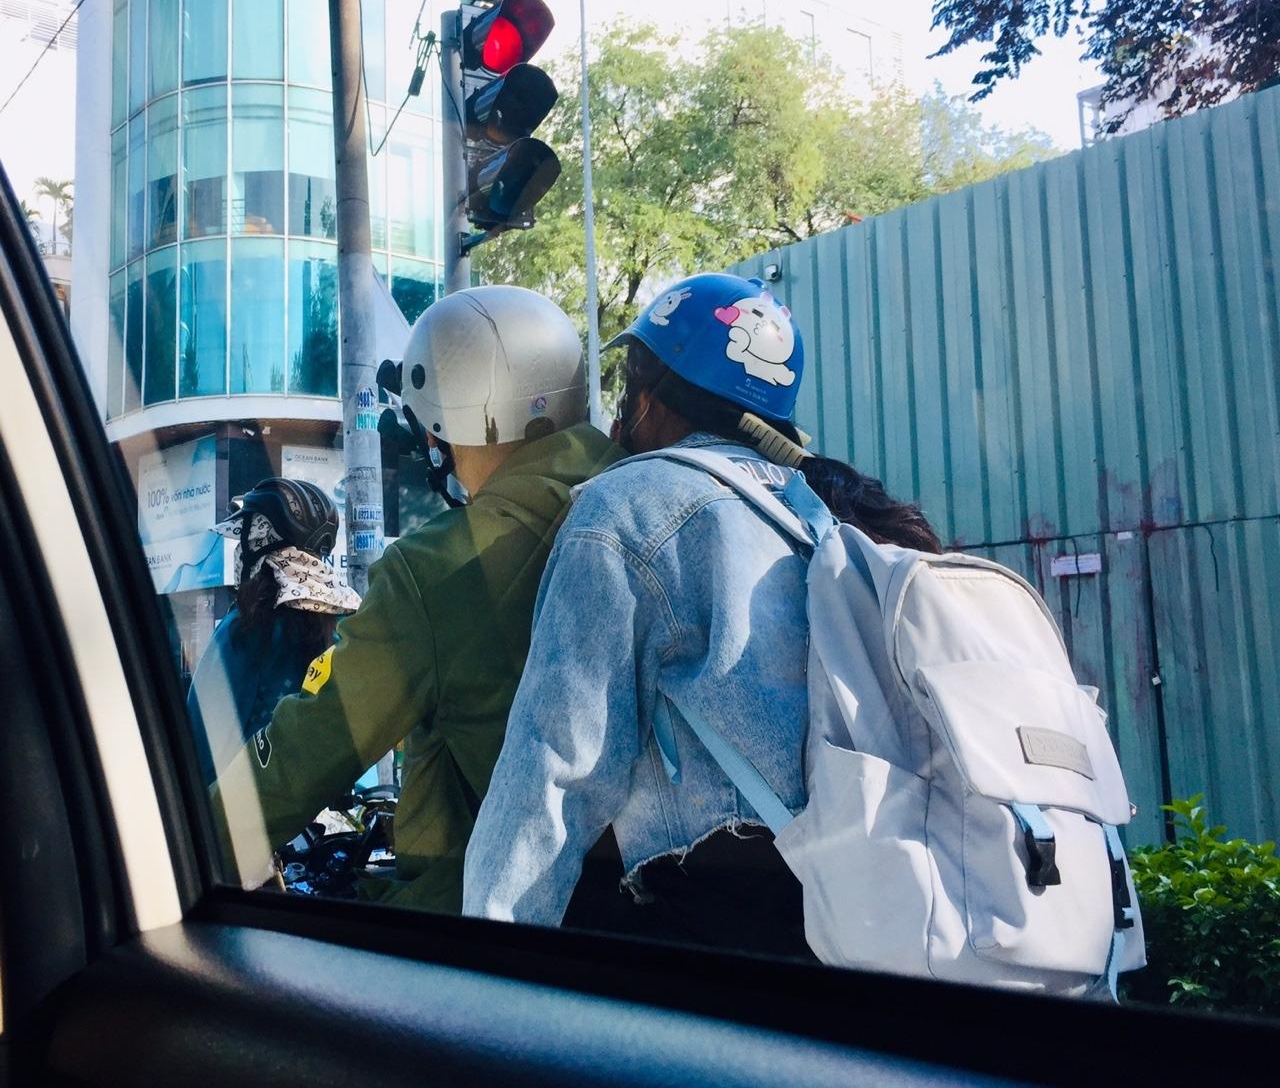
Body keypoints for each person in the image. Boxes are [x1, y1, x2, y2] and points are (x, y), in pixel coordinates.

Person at [462, 273, 941, 957]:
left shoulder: (629, 505)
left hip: (716, 934)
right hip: (860, 920)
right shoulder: (818, 508)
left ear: (652, 399)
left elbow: (555, 769)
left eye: (628, 391)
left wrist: (484, 967)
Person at [211, 286, 624, 913]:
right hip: (651, 910)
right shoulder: (642, 502)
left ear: (444, 423)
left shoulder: (433, 570)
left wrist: (183, 843)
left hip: (486, 921)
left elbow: (304, 753)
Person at [187, 477, 359, 786]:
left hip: (242, 803)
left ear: (258, 544)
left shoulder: (245, 629)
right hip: (320, 802)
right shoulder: (342, 629)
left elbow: (200, 742)